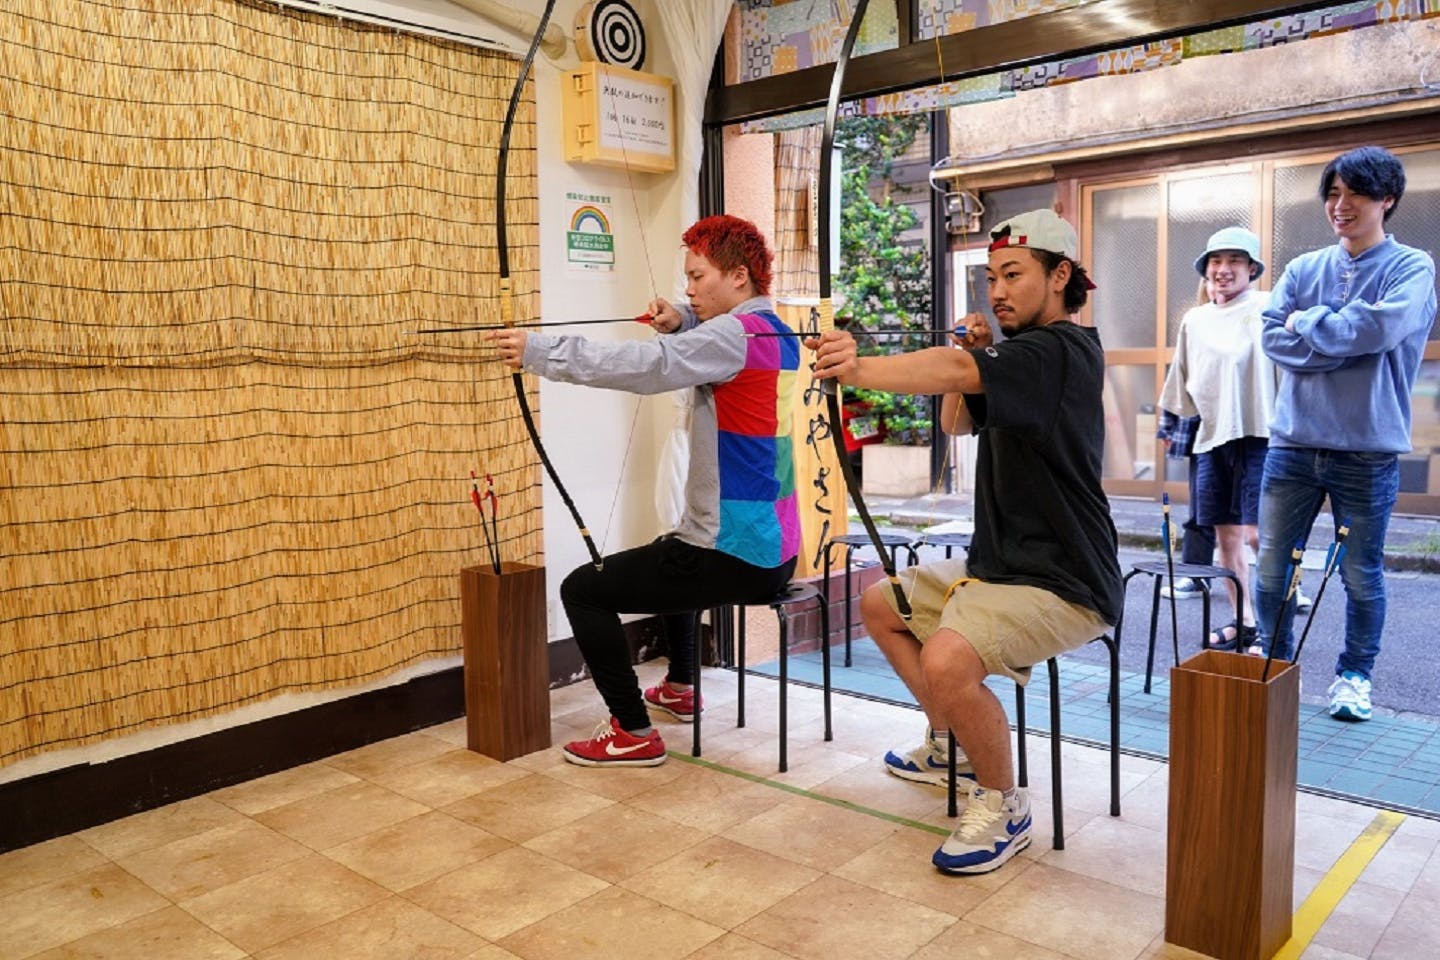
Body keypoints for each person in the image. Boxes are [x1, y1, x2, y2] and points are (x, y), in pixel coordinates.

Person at [810, 209, 1121, 874]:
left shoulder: (1061, 350)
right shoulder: (1019, 357)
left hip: (1065, 580)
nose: (997, 292)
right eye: (991, 278)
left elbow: (951, 371)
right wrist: (981, 356)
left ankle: (1004, 805)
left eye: (1013, 275)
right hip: (1001, 566)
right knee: (879, 606)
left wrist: (859, 365)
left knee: (949, 660)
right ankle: (950, 742)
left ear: (1060, 275)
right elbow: (957, 418)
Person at [491, 214, 801, 764]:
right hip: (776, 550)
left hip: (731, 551)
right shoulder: (777, 329)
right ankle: (682, 687)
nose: (688, 287)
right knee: (670, 545)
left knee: (583, 590)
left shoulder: (730, 335)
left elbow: (648, 365)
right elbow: (720, 351)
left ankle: (633, 730)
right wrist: (684, 320)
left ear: (737, 277)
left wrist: (540, 352)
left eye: (698, 276)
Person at [1254, 145, 1437, 721]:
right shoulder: (1304, 268)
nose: (1341, 204)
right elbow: (1269, 336)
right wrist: (1339, 342)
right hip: (1292, 443)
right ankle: (1276, 669)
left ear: (1387, 199)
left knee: (1361, 574)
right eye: (1333, 193)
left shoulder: (1413, 266)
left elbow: (1378, 328)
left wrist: (1308, 326)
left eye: (1355, 192)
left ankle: (1354, 677)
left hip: (1367, 450)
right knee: (1271, 569)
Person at [1159, 228, 1276, 649]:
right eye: (1216, 262)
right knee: (1225, 538)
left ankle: (1273, 626)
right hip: (1212, 439)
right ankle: (1244, 620)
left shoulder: (1267, 307)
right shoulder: (1195, 319)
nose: (1223, 270)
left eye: (1234, 261)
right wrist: (1172, 429)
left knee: (1261, 536)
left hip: (1263, 435)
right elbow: (1181, 379)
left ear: (1252, 269)